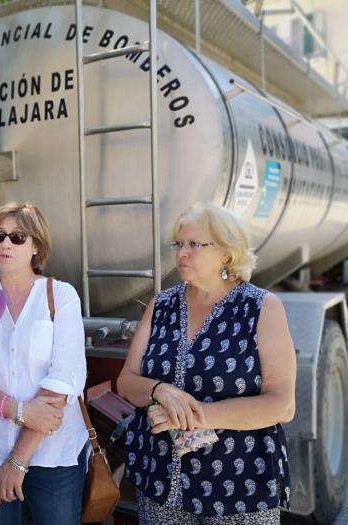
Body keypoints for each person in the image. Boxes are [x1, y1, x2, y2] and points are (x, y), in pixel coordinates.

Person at [117, 203, 296, 524]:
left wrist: (191, 417)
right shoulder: (161, 304)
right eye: (179, 244)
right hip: (161, 483)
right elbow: (127, 381)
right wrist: (161, 391)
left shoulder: (261, 307)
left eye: (195, 244)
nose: (182, 253)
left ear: (227, 253)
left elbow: (282, 406)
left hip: (238, 488)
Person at [0, 202, 88, 525]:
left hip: (53, 455)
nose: (5, 244)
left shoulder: (61, 296)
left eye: (17, 236)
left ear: (36, 245)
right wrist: (20, 410)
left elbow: (63, 382)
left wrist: (17, 460)